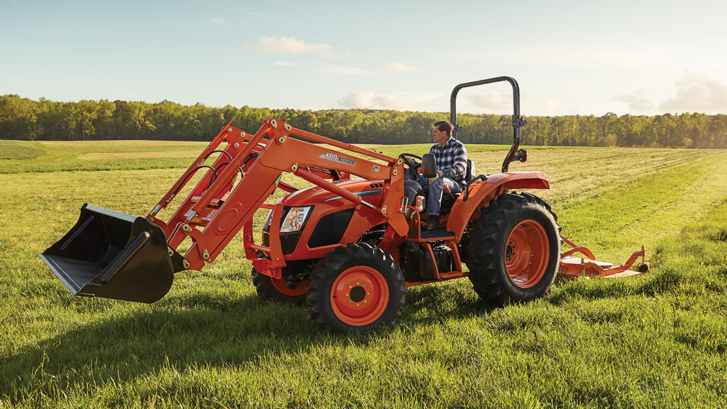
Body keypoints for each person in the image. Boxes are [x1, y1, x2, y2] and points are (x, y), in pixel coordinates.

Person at [420, 121, 468, 230]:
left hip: (455, 183)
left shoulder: (458, 146)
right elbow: (428, 167)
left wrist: (441, 174)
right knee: (415, 179)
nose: (433, 134)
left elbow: (460, 168)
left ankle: (433, 217)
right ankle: (411, 213)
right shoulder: (434, 149)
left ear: (444, 133)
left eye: (435, 132)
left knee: (438, 181)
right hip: (435, 179)